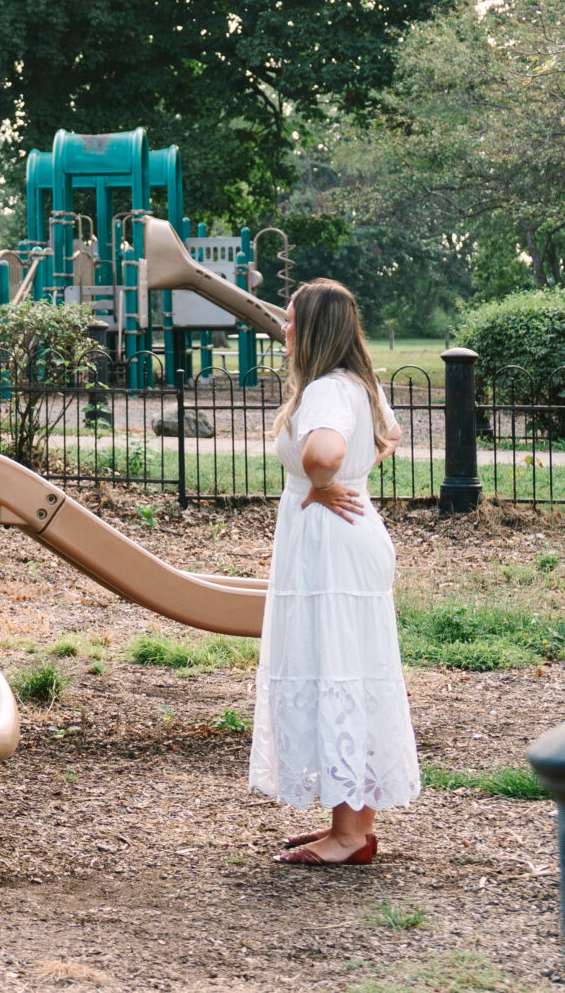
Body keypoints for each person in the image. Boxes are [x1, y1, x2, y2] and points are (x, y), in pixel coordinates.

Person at [251, 277, 419, 865]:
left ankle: (348, 837)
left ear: (316, 328)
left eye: (292, 319)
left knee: (339, 670)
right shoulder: (357, 384)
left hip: (330, 544)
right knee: (352, 670)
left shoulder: (325, 389)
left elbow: (323, 453)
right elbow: (388, 436)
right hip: (351, 539)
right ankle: (352, 828)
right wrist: (338, 481)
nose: (284, 327)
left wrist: (322, 482)